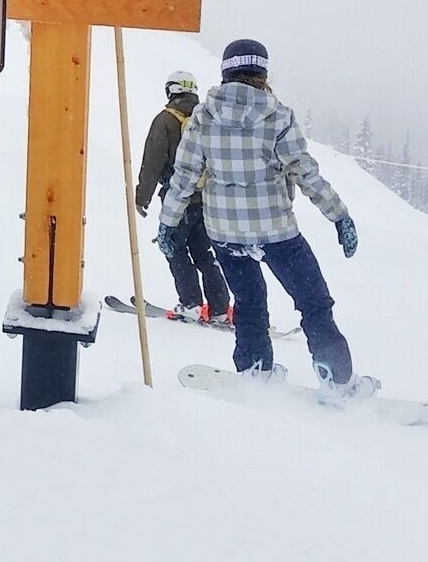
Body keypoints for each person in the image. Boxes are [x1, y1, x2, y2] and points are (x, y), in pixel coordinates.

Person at [153, 39, 376, 399]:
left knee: (250, 303)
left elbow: (184, 176)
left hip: (225, 232)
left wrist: (168, 222)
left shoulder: (204, 117)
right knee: (313, 302)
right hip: (277, 232)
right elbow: (305, 173)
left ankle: (256, 371)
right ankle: (337, 382)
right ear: (262, 73)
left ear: (226, 71)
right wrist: (340, 216)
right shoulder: (276, 116)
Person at [137, 70, 232, 324]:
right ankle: (220, 308)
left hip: (176, 199)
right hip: (206, 201)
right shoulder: (207, 119)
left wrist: (142, 196)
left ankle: (190, 303)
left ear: (171, 90)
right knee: (204, 254)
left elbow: (153, 161)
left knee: (175, 249)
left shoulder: (165, 120)